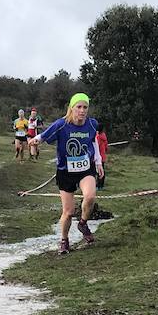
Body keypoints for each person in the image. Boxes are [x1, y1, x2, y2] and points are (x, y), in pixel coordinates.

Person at [32, 93, 104, 256]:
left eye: (85, 107)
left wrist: (98, 162)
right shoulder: (61, 125)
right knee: (68, 212)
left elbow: (94, 142)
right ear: (71, 108)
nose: (82, 111)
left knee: (90, 196)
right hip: (66, 172)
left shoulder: (92, 124)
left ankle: (83, 223)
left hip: (86, 168)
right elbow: (43, 136)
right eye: (78, 107)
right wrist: (35, 141)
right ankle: (64, 240)